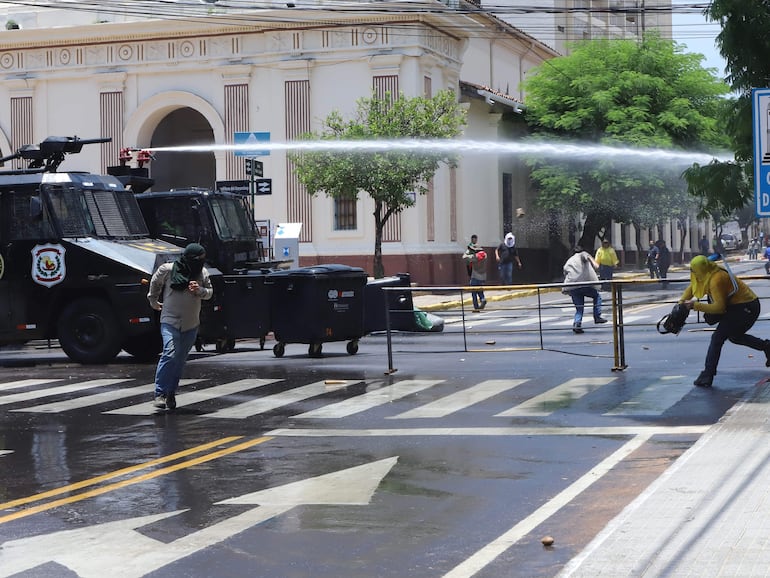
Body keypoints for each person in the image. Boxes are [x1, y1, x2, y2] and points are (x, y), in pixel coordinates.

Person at [679, 255, 770, 387]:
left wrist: (694, 305)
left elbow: (719, 308)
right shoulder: (707, 272)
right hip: (738, 306)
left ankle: (707, 374)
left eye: (694, 270)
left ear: (701, 269)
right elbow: (692, 287)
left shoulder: (716, 279)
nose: (693, 273)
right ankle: (766, 346)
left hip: (746, 307)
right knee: (734, 337)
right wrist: (680, 303)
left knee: (717, 338)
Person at [147, 243, 213, 410]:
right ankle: (159, 393)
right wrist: (153, 300)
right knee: (169, 353)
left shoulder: (202, 273)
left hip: (191, 324)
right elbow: (155, 283)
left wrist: (200, 290)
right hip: (170, 320)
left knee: (180, 360)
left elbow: (210, 292)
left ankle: (171, 392)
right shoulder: (168, 270)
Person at [562, 246, 608, 334]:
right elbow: (592, 262)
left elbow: (565, 272)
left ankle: (577, 324)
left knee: (579, 308)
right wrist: (594, 263)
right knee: (597, 296)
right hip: (584, 285)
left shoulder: (569, 260)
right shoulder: (583, 254)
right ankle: (597, 316)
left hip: (572, 287)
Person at [463, 238, 487, 312]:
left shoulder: (474, 257)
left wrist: (468, 251)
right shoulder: (485, 255)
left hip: (475, 276)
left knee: (474, 293)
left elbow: (464, 257)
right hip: (483, 276)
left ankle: (476, 308)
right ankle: (483, 299)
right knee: (480, 290)